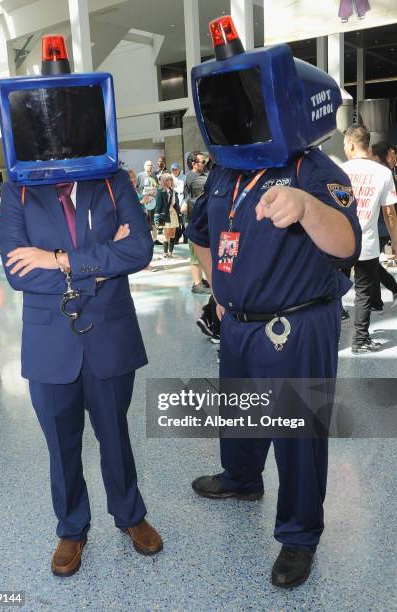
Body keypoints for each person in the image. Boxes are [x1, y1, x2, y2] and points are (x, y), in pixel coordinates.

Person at [186, 16, 361, 589]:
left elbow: (348, 244)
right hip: (236, 325)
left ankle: (298, 535)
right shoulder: (221, 172)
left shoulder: (313, 170)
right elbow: (200, 231)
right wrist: (216, 285)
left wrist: (308, 210)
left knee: (298, 436)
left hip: (297, 327)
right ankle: (241, 478)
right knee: (237, 416)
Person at [0, 35, 162, 579]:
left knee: (115, 434)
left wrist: (60, 260)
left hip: (109, 335)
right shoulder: (19, 190)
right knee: (61, 446)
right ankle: (71, 529)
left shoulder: (111, 181)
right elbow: (19, 272)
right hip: (50, 345)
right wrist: (98, 258)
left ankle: (129, 515)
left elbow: (139, 248)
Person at [341, 126, 397, 353]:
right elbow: (390, 214)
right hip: (368, 243)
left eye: (345, 145)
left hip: (339, 242)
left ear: (352, 145)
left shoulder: (339, 171)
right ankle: (360, 341)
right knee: (363, 294)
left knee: (334, 287)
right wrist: (395, 242)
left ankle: (326, 332)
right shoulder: (383, 173)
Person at [370, 141, 397, 313]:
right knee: (370, 264)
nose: (394, 158)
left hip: (382, 226)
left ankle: (377, 301)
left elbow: (390, 209)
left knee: (369, 264)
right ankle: (377, 301)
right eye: (392, 154)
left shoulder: (386, 173)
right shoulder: (384, 173)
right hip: (381, 225)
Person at [184, 152, 211, 295]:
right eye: (202, 161)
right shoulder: (194, 177)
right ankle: (197, 283)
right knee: (195, 254)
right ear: (194, 164)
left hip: (198, 217)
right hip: (195, 219)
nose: (205, 164)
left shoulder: (199, 176)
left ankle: (202, 279)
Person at [154, 173, 181, 258]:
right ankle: (165, 253)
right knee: (166, 234)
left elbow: (176, 204)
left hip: (173, 213)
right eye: (167, 180)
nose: (169, 181)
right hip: (165, 214)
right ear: (163, 181)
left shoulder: (173, 191)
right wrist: (157, 216)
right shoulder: (160, 191)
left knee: (173, 233)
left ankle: (170, 253)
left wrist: (179, 214)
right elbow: (158, 205)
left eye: (170, 179)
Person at [137, 160, 160, 245]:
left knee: (153, 221)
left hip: (152, 202)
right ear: (144, 167)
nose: (150, 167)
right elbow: (136, 188)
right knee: (144, 221)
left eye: (151, 165)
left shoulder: (154, 176)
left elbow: (157, 188)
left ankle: (154, 239)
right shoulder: (140, 176)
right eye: (148, 165)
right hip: (143, 202)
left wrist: (154, 192)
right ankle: (145, 240)